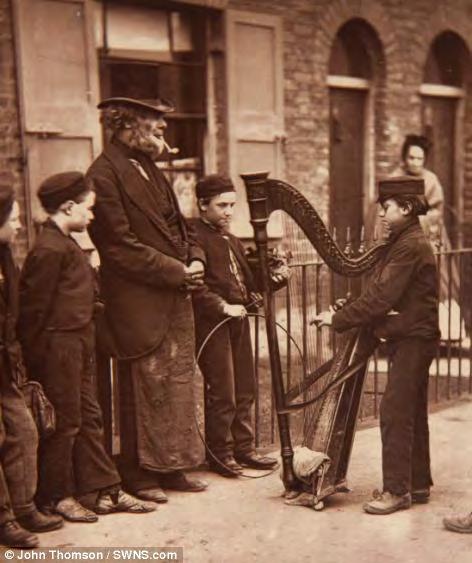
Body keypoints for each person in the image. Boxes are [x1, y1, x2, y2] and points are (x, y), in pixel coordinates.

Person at [86, 97, 208, 504]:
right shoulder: (103, 175)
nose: (163, 131)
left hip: (173, 295)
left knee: (175, 383)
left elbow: (181, 223)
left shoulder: (151, 167)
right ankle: (138, 475)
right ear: (125, 126)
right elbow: (119, 247)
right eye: (155, 125)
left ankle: (171, 467)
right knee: (143, 386)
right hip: (138, 301)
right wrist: (177, 270)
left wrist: (195, 257)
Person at [18, 172, 156, 522]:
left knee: (90, 418)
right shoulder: (48, 249)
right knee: (65, 423)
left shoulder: (67, 244)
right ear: (68, 207)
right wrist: (39, 363)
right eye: (88, 209)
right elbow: (33, 311)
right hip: (58, 347)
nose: (92, 217)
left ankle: (104, 487)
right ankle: (56, 496)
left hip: (79, 342)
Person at [314, 176, 440, 515]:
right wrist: (351, 309)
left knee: (394, 411)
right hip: (412, 336)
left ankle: (397, 491)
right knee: (410, 408)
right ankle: (416, 483)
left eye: (386, 208)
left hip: (414, 338)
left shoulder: (410, 245)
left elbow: (382, 297)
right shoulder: (403, 240)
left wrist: (336, 320)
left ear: (407, 208)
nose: (382, 214)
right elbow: (379, 293)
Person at [190, 175, 278, 477]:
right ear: (202, 205)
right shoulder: (193, 236)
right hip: (212, 324)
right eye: (221, 205)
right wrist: (222, 306)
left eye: (232, 205)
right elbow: (194, 286)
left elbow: (245, 281)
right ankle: (220, 452)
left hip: (238, 320)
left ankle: (244, 447)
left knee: (245, 386)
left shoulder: (231, 238)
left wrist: (269, 280)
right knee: (223, 390)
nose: (228, 211)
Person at [0, 186, 63, 548]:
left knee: (24, 431)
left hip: (5, 364)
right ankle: (5, 518)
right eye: (13, 218)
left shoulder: (6, 255)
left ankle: (23, 507)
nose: (20, 225)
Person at [396, 134, 445, 243]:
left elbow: (437, 211)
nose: (415, 163)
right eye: (411, 158)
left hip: (427, 234)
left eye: (420, 159)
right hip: (399, 233)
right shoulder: (395, 177)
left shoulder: (431, 179)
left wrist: (419, 220)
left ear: (424, 159)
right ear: (405, 157)